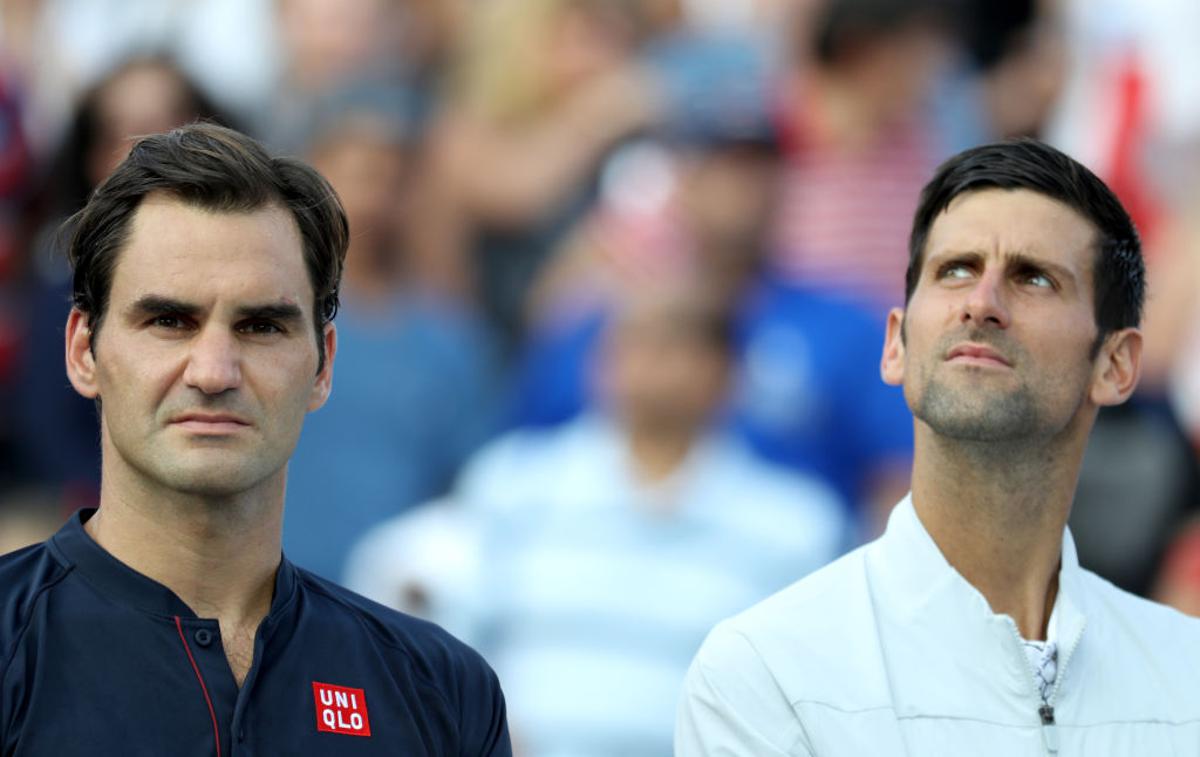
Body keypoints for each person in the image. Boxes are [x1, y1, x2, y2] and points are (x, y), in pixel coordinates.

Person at [676, 139, 1200, 755]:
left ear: (1115, 365)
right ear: (895, 343)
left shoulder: (1185, 679)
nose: (982, 304)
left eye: (1034, 277)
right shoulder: (765, 673)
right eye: (956, 270)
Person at [0, 123, 510, 755]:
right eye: (168, 321)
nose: (213, 371)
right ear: (84, 351)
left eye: (261, 326)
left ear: (322, 365)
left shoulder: (442, 690)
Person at [346, 283, 848, 756]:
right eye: (632, 342)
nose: (650, 364)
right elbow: (400, 590)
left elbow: (810, 698)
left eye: (676, 344)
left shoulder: (794, 526)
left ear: (727, 373)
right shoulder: (514, 483)